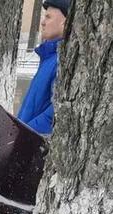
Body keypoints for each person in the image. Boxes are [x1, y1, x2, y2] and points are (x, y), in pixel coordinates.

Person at [16, 0, 69, 134]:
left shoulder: (62, 61)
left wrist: (24, 134)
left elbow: (57, 112)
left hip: (32, 141)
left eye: (48, 17)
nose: (43, 22)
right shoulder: (49, 58)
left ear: (65, 22)